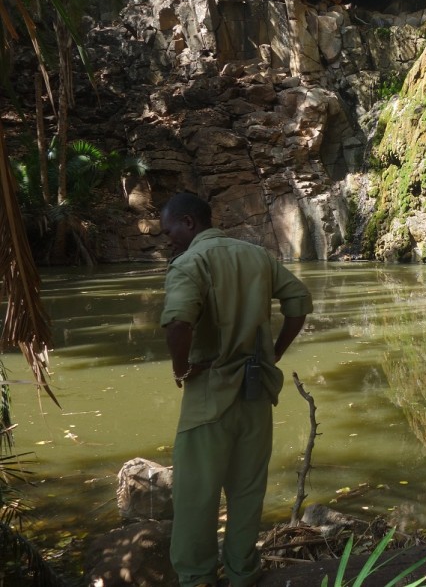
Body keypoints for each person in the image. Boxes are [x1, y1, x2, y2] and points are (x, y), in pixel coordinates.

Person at [160, 193, 313, 587]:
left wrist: (182, 368)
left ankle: (197, 578)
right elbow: (298, 301)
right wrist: (273, 354)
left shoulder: (191, 263)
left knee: (196, 495)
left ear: (189, 223)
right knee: (247, 492)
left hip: (210, 394)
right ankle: (243, 573)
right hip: (257, 391)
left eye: (170, 230)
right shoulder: (256, 256)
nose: (168, 239)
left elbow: (177, 322)